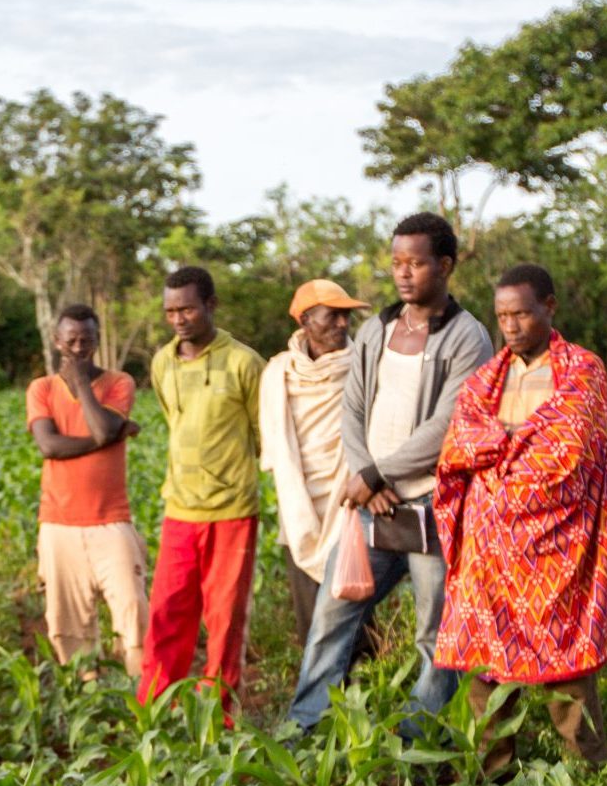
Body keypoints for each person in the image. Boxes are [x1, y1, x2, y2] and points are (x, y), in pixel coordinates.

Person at [289, 214, 493, 733]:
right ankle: (304, 727)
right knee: (332, 617)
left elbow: (449, 426)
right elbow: (351, 407)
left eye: (416, 263)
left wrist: (379, 474)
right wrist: (366, 474)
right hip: (372, 507)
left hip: (432, 508)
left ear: (444, 266)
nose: (403, 273)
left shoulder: (468, 338)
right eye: (397, 262)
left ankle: (417, 739)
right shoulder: (375, 329)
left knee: (435, 633)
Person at [435, 264, 607, 768]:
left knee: (567, 676)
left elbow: (564, 457)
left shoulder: (582, 372)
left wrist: (497, 451)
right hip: (489, 557)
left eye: (521, 313)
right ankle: (492, 784)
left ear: (550, 307)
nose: (511, 326)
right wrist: (512, 444)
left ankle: (586, 784)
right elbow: (458, 445)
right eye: (502, 316)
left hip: (556, 553)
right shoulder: (484, 380)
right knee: (485, 676)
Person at [140, 266, 266, 712]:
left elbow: (263, 435)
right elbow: (173, 421)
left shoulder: (245, 363)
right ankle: (155, 707)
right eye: (171, 311)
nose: (178, 319)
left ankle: (219, 715)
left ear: (211, 305)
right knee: (167, 615)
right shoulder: (161, 363)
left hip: (232, 512)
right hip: (180, 510)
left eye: (188, 308)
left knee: (225, 620)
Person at [27, 305, 147, 677]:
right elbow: (49, 446)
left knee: (132, 609)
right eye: (71, 341)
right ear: (57, 341)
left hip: (111, 519)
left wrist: (80, 384)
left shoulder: (118, 382)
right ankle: (88, 694)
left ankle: (142, 693)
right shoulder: (42, 388)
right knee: (67, 620)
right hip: (58, 523)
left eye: (87, 341)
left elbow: (99, 426)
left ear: (97, 342)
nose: (79, 348)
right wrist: (109, 437)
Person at [259, 278, 369, 646]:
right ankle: (321, 697)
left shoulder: (364, 367)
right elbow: (276, 448)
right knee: (311, 620)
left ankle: (363, 693)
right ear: (305, 321)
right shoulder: (278, 372)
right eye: (332, 316)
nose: (342, 324)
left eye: (346, 317)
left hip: (350, 503)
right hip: (299, 508)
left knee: (355, 606)